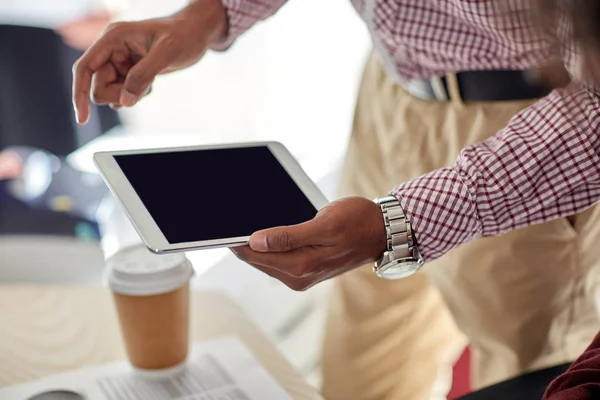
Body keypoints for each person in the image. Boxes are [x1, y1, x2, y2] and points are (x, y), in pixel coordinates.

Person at [71, 1, 600, 399]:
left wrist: (403, 221)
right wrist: (211, 14)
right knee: (358, 368)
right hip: (391, 93)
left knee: (518, 373)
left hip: (535, 137)